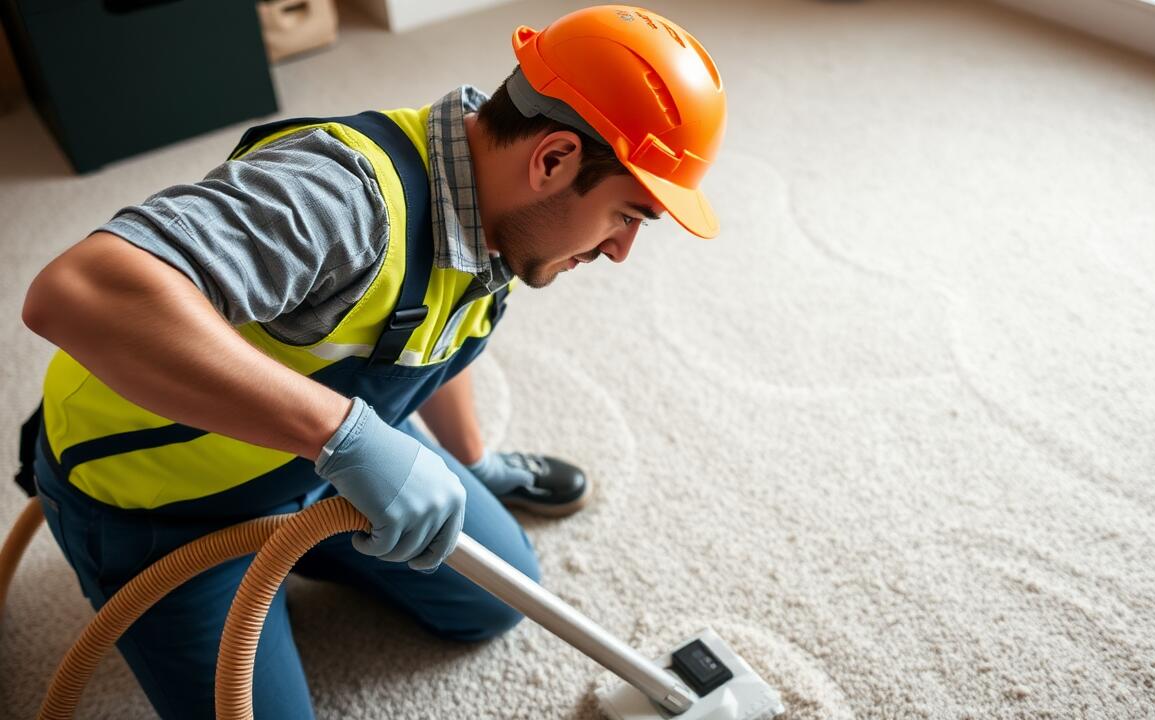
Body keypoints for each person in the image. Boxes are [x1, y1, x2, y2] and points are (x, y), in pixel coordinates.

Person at [16, 5, 725, 718]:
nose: (621, 250)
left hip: (324, 462)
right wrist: (343, 437)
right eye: (628, 215)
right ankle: (247, 560)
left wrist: (467, 460)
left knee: (495, 604)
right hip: (166, 509)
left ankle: (328, 529)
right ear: (553, 159)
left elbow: (439, 325)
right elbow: (79, 293)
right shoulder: (341, 197)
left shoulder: (498, 204)